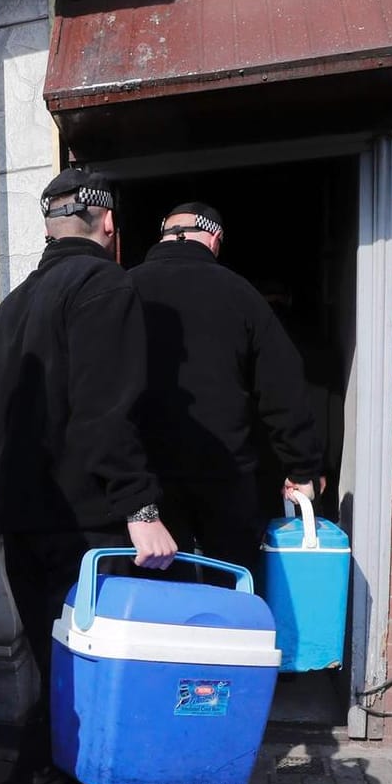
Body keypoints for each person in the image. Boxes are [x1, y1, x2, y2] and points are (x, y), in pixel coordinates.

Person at [0, 169, 177, 784]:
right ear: (108, 222)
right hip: (88, 528)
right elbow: (105, 411)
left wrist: (1, 501)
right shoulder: (105, 292)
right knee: (79, 694)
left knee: (62, 680)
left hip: (29, 527)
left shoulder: (8, 311)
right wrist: (141, 508)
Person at [131, 203, 322, 578]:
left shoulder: (124, 288)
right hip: (225, 475)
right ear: (215, 240)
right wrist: (303, 467)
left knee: (159, 600)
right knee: (230, 589)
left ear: (163, 235)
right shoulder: (242, 294)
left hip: (147, 479)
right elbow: (282, 387)